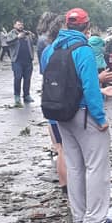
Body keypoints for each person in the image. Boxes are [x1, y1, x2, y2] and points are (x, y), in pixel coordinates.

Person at [41, 8, 112, 223]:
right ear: (87, 26)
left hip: (60, 114)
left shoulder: (52, 49)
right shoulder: (83, 50)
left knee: (75, 166)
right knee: (96, 166)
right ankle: (95, 218)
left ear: (67, 25)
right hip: (84, 115)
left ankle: (79, 215)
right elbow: (90, 87)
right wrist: (100, 118)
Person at [39, 14, 68, 193]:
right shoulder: (66, 51)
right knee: (66, 150)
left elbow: (45, 75)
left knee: (60, 148)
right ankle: (70, 187)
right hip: (66, 107)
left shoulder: (46, 51)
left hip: (50, 103)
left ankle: (64, 186)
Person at [5, 19, 35, 106]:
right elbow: (7, 43)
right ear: (14, 25)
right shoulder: (11, 34)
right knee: (18, 78)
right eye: (18, 24)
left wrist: (33, 36)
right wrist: (17, 37)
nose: (21, 26)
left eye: (22, 24)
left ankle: (26, 95)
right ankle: (17, 96)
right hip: (17, 61)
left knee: (27, 78)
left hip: (28, 60)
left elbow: (34, 41)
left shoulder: (26, 33)